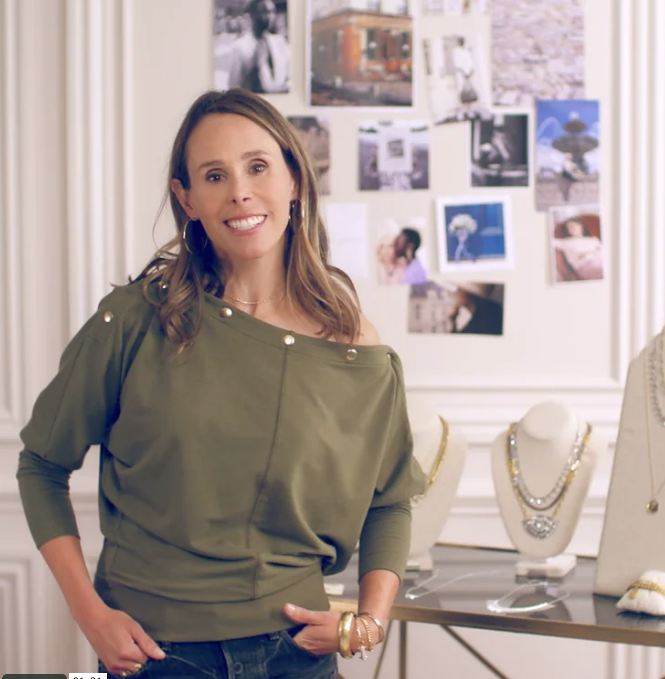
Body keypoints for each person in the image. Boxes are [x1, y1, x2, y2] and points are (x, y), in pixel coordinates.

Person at [16, 89, 425, 679]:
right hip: (157, 654)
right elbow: (41, 466)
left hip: (299, 654)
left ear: (294, 179)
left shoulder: (352, 341)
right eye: (214, 175)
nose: (239, 191)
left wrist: (369, 621)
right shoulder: (134, 320)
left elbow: (389, 500)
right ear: (187, 198)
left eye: (258, 166)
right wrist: (91, 615)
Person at [226, 0, 290, 93]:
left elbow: (290, 74)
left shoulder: (279, 42)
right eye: (265, 12)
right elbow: (233, 87)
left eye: (272, 12)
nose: (270, 16)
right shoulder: (239, 47)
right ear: (252, 15)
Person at [553, 217, 603, 281]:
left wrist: (591, 253)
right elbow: (548, 241)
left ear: (580, 226)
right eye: (568, 228)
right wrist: (553, 227)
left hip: (600, 260)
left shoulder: (593, 240)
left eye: (573, 226)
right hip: (584, 267)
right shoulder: (565, 242)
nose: (570, 229)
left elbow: (604, 251)